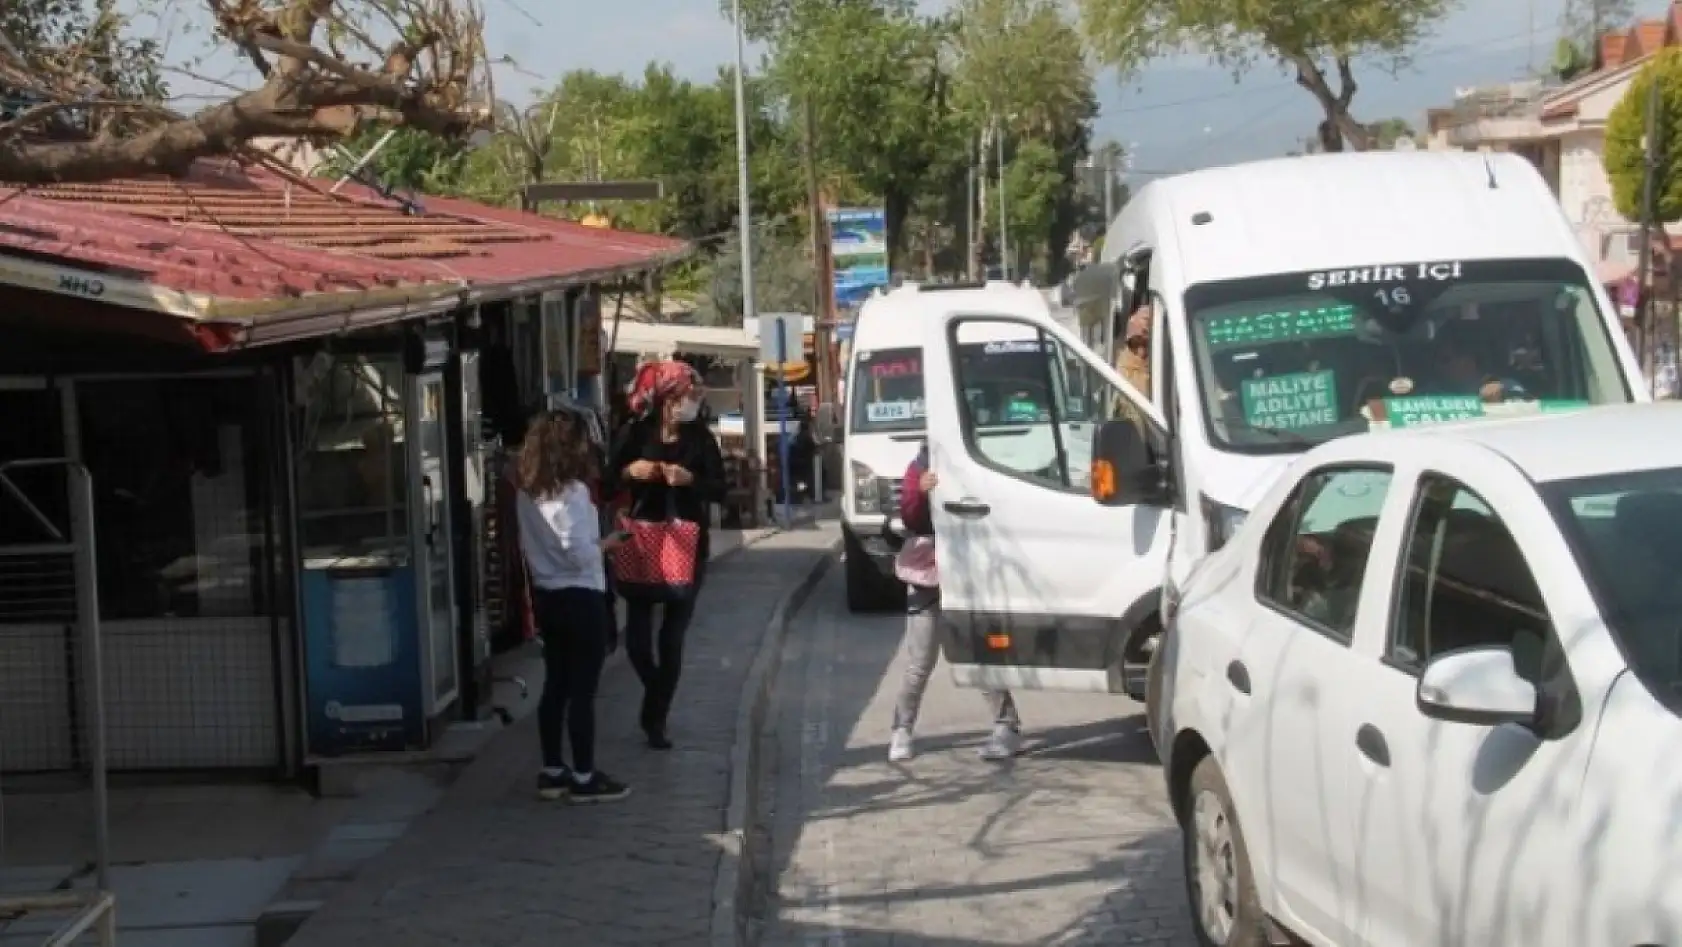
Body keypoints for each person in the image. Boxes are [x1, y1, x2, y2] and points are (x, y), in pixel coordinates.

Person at [607, 360, 726, 750]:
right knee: (638, 643)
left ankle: (654, 720)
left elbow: (720, 489)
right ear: (664, 399)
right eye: (682, 396)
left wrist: (691, 480)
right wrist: (631, 473)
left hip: (687, 545)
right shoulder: (635, 435)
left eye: (692, 396)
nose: (689, 403)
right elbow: (607, 481)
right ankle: (657, 693)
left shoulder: (700, 439)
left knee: (672, 638)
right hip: (642, 543)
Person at [514, 411, 631, 803]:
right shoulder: (574, 493)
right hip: (580, 596)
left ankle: (552, 768)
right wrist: (611, 542)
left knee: (556, 685)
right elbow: (581, 554)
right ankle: (583, 775)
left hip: (547, 596)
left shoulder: (526, 493)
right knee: (583, 689)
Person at [887, 444, 1024, 763]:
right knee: (920, 661)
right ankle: (901, 728)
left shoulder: (973, 455)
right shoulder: (920, 464)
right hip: (926, 573)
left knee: (979, 654)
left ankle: (1007, 726)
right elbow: (909, 514)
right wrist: (920, 492)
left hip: (967, 568)